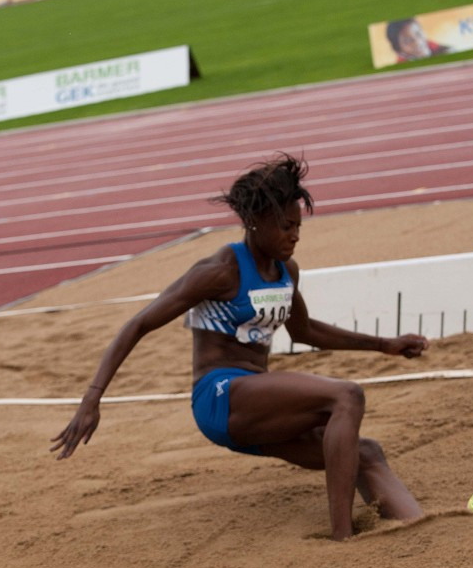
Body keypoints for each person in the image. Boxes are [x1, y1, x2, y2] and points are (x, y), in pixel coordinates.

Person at [53, 158, 428, 542]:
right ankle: (342, 536)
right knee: (347, 396)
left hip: (257, 410)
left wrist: (385, 346)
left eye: (298, 226)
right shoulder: (220, 270)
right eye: (286, 226)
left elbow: (305, 330)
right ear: (255, 222)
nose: (295, 236)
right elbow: (138, 324)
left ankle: (419, 529)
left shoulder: (286, 270)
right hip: (219, 399)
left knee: (365, 451)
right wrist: (92, 398)